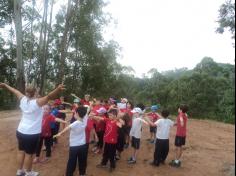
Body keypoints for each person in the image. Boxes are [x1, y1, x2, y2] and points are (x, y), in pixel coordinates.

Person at [0, 82, 65, 176]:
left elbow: (14, 90)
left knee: (21, 151)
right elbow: (49, 96)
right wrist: (58, 89)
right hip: (32, 134)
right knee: (29, 154)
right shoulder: (37, 103)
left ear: (26, 92)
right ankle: (28, 172)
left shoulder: (22, 99)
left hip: (21, 131)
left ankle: (19, 171)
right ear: (34, 93)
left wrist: (5, 85)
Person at [54, 106, 88, 176]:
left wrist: (59, 133)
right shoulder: (85, 119)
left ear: (77, 113)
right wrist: (89, 106)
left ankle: (69, 174)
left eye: (74, 113)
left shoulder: (75, 123)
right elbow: (87, 112)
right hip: (83, 145)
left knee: (72, 161)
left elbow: (67, 128)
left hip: (74, 146)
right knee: (82, 160)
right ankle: (82, 173)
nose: (74, 114)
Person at [91, 108, 124, 172]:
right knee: (105, 153)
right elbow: (100, 118)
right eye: (109, 115)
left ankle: (112, 166)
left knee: (112, 155)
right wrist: (93, 116)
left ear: (115, 115)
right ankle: (103, 163)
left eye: (111, 115)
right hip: (106, 140)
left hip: (113, 142)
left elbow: (121, 124)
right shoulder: (108, 120)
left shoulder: (117, 122)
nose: (109, 116)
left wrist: (118, 119)